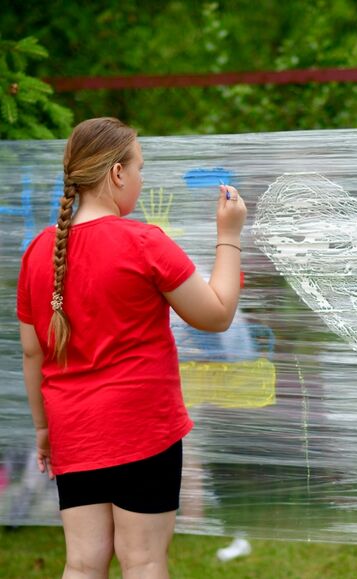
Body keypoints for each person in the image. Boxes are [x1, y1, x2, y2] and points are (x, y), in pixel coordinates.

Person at [16, 117, 247, 578]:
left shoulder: (38, 252)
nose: (141, 179)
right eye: (139, 168)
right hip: (144, 430)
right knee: (142, 561)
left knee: (82, 564)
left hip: (73, 431)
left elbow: (33, 353)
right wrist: (230, 235)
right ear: (117, 174)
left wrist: (44, 430)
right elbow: (217, 314)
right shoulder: (144, 243)